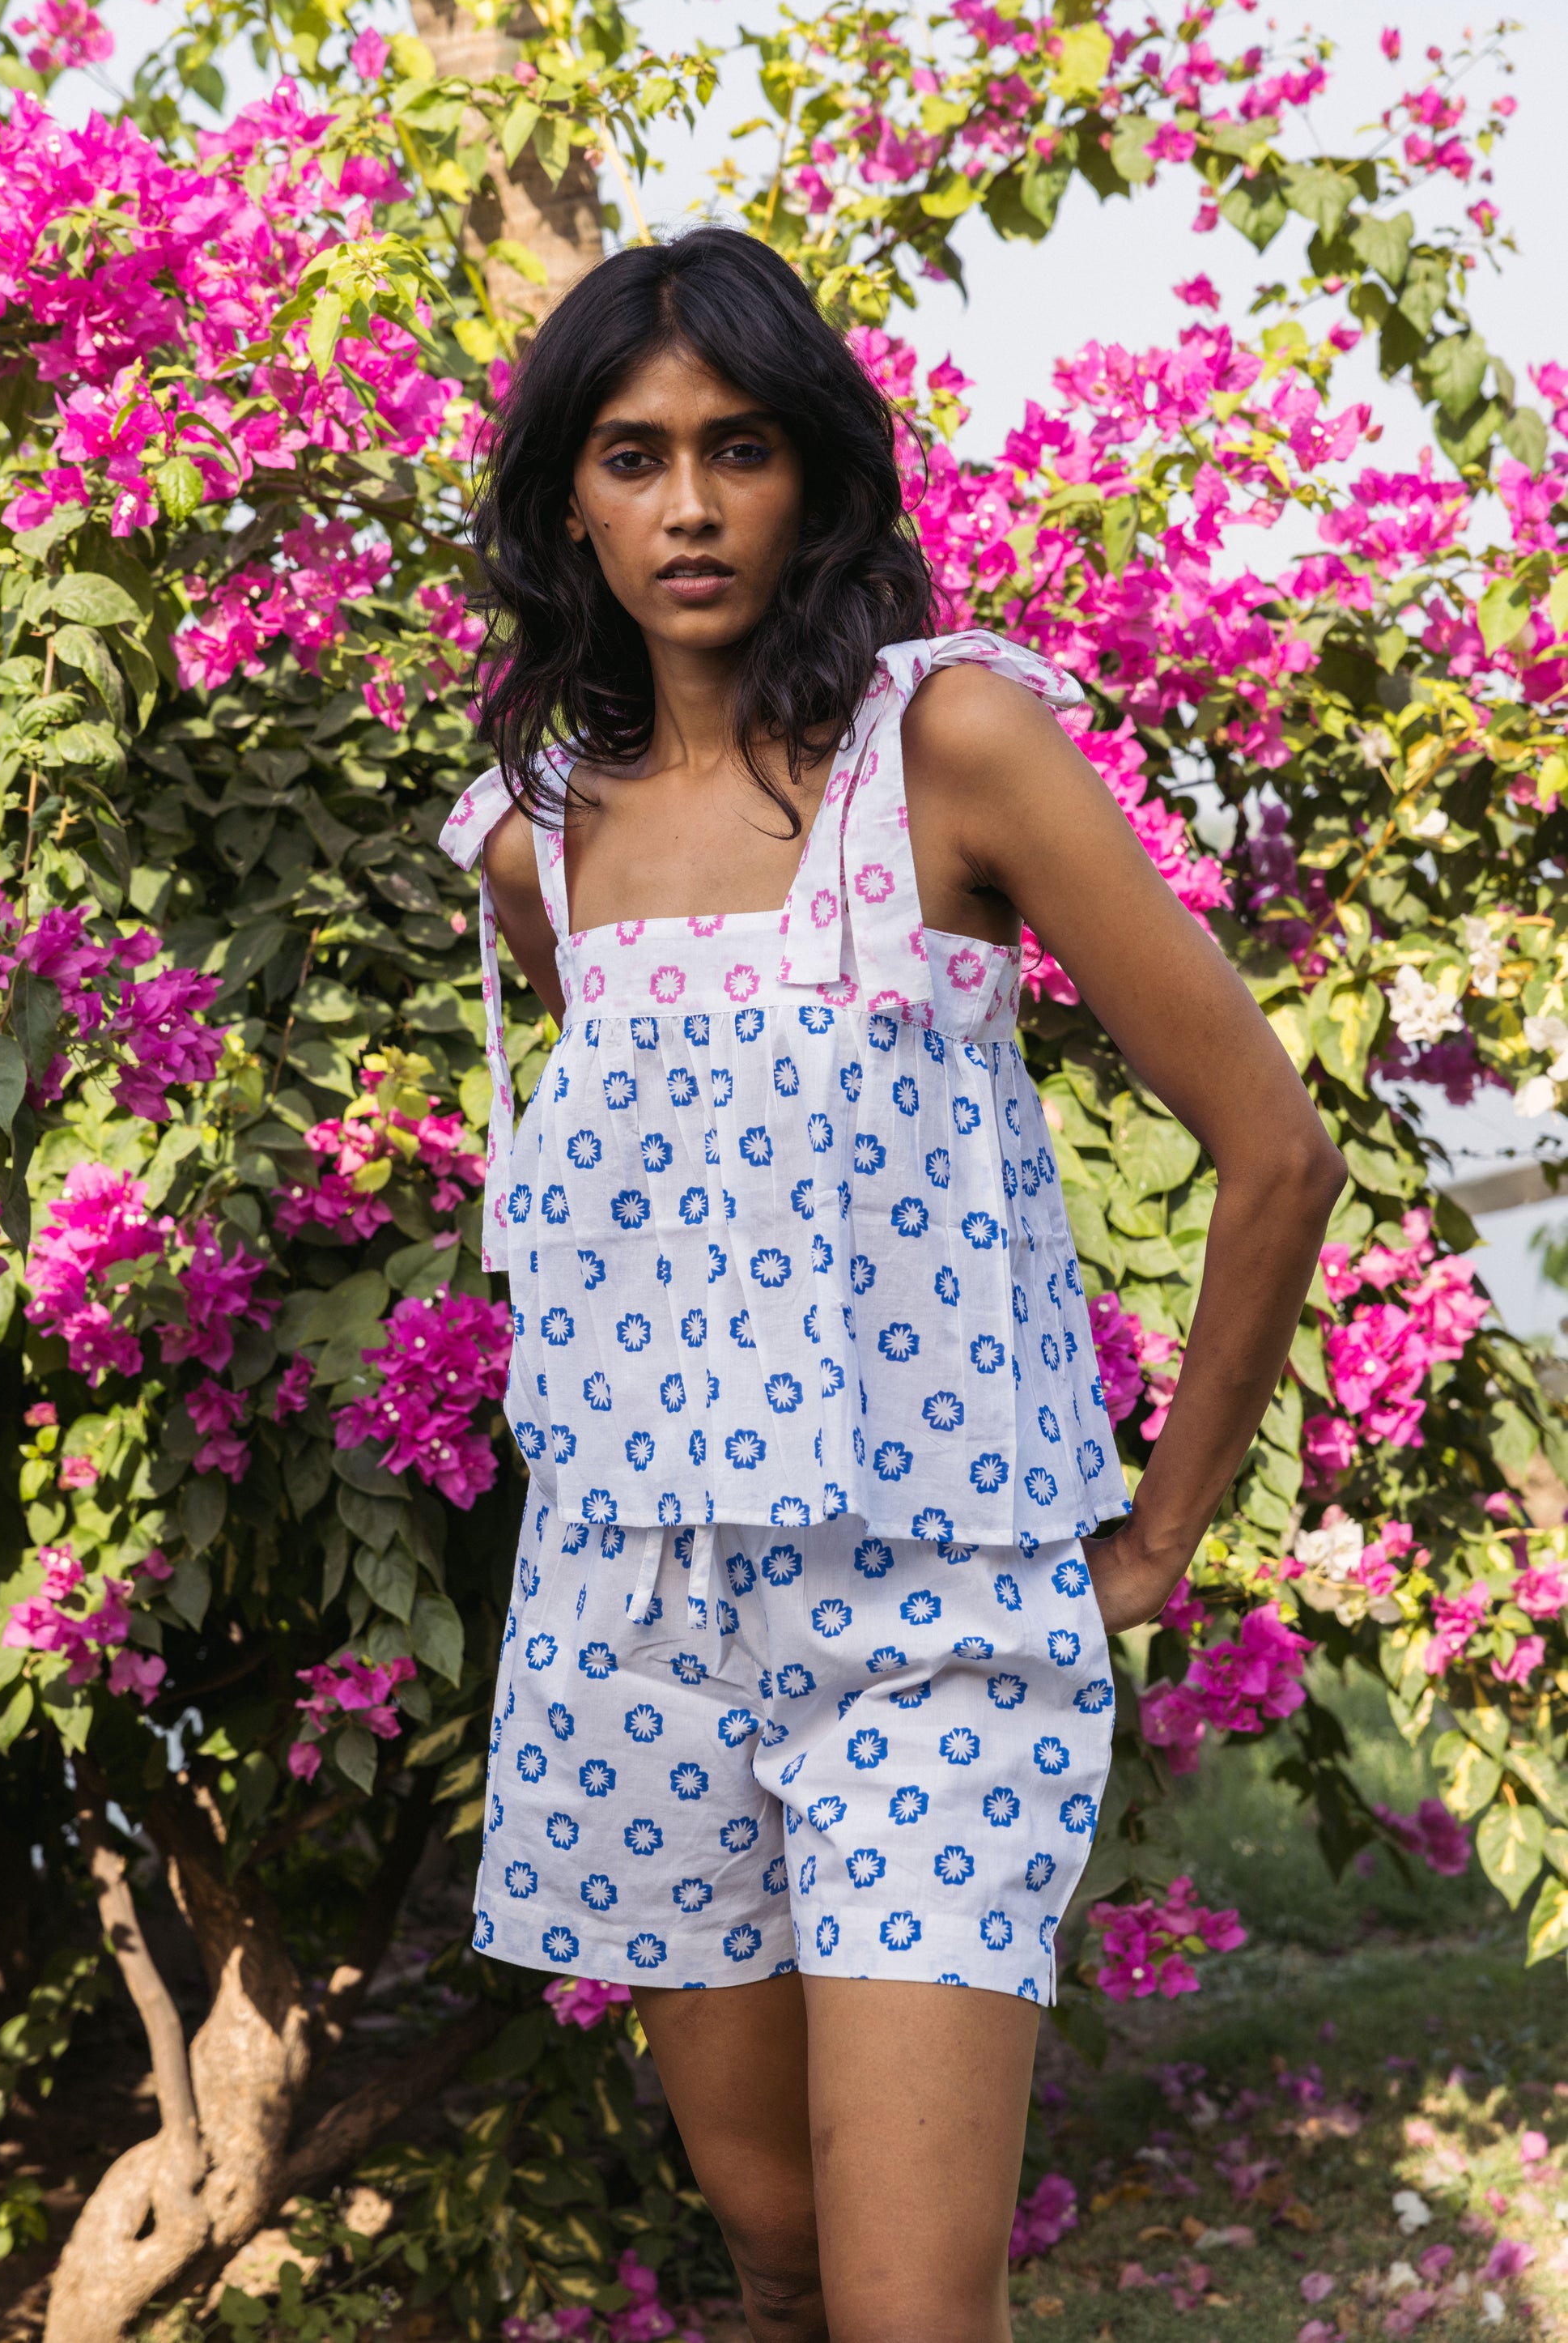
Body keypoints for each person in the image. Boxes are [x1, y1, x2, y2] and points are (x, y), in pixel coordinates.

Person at [440, 227, 1345, 2343]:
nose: (687, 504)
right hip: (638, 1619)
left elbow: (1276, 1150)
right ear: (569, 505)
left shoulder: (947, 748)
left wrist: (1156, 1542)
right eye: (633, 455)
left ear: (814, 477)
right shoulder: (532, 844)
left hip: (933, 1625)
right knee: (773, 2256)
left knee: (910, 2306)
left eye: (738, 449)